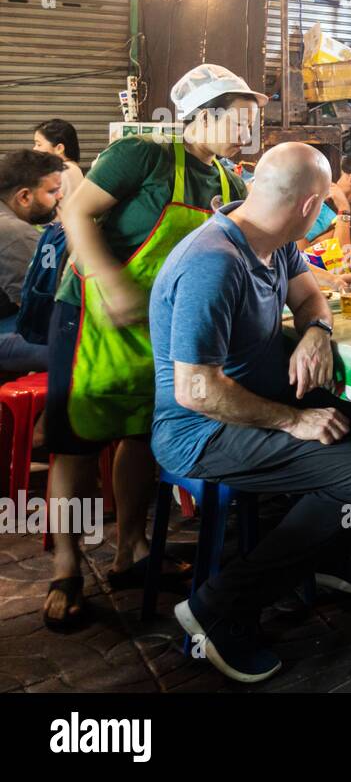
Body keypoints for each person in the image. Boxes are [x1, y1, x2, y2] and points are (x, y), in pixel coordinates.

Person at [151, 142, 351, 683]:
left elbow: (311, 299)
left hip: (256, 404)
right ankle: (218, 608)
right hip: (200, 430)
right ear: (310, 208)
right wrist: (294, 421)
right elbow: (195, 389)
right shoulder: (213, 261)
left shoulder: (273, 239)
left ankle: (325, 560)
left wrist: (316, 332)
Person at [43, 63, 258, 632]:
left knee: (142, 432)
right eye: (242, 115)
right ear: (206, 113)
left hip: (159, 327)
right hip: (91, 312)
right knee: (78, 443)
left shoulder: (231, 183)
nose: (250, 127)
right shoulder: (143, 154)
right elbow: (75, 213)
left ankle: (130, 550)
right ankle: (66, 567)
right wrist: (110, 283)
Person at [0, 151, 62, 370]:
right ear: (24, 196)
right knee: (72, 350)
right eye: (53, 191)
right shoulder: (15, 232)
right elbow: (36, 308)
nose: (60, 197)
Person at [33, 118, 85, 200]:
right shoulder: (74, 169)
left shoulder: (61, 172)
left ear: (59, 148)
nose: (34, 149)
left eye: (39, 144)